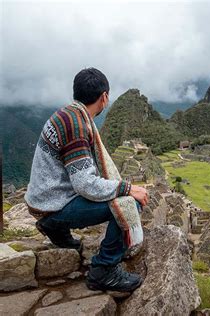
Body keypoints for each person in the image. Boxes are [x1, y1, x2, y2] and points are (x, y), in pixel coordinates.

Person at [25, 68, 149, 292]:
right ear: (104, 97)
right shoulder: (77, 125)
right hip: (54, 204)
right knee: (129, 204)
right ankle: (104, 269)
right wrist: (127, 189)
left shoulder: (67, 114)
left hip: (43, 199)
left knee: (121, 195)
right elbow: (85, 184)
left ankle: (55, 229)